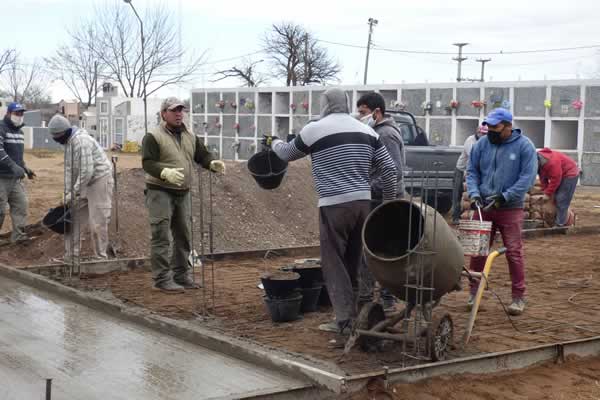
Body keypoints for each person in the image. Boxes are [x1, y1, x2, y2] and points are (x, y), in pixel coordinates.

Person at [263, 88, 397, 335]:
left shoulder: (315, 129)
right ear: (346, 104)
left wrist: (274, 142)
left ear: (324, 104)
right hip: (363, 205)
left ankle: (344, 321)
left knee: (333, 263)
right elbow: (389, 170)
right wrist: (388, 203)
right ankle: (356, 314)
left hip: (334, 205)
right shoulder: (366, 130)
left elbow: (287, 154)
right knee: (354, 260)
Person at [142, 97, 226, 293]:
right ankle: (162, 278)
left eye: (181, 110)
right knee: (161, 234)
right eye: (174, 111)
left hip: (183, 191)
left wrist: (211, 163)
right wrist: (164, 172)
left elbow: (202, 155)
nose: (179, 114)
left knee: (184, 235)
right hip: (160, 191)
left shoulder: (190, 135)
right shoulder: (153, 137)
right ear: (164, 114)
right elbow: (148, 162)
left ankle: (181, 274)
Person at [466, 108, 537, 316]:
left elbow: (527, 178)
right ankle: (474, 292)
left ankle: (518, 297)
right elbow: (472, 171)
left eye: (495, 127)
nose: (490, 131)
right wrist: (474, 193)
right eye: (488, 127)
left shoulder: (525, 146)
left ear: (508, 126)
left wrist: (505, 196)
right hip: (483, 206)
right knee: (477, 252)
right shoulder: (481, 144)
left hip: (510, 207)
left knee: (513, 253)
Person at [356, 91, 405, 310]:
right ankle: (379, 297)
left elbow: (393, 172)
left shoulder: (385, 134)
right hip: (377, 199)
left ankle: (386, 299)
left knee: (383, 250)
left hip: (385, 201)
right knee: (376, 249)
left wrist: (368, 189)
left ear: (377, 112)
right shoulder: (375, 132)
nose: (360, 116)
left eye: (363, 112)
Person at [48, 114, 113, 261]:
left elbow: (87, 171)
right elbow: (70, 170)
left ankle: (101, 258)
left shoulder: (81, 142)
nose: (56, 139)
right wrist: (67, 193)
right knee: (73, 219)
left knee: (98, 220)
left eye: (57, 136)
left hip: (99, 179)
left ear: (64, 132)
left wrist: (74, 192)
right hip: (85, 181)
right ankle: (71, 256)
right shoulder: (68, 143)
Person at [0, 102, 35, 244]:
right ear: (8, 114)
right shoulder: (1, 128)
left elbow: (17, 156)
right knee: (0, 209)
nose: (19, 116)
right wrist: (14, 166)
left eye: (21, 113)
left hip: (15, 179)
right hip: (1, 177)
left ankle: (18, 237)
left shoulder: (20, 133)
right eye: (16, 113)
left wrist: (25, 168)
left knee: (21, 205)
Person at [451, 125, 488, 224]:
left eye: (486, 134)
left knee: (468, 195)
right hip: (462, 169)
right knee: (457, 193)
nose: (484, 136)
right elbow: (473, 156)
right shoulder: (470, 140)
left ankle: (468, 217)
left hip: (474, 171)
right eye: (483, 133)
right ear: (478, 132)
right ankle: (455, 217)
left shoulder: (486, 142)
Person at [537, 148, 579, 226]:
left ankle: (560, 224)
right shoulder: (539, 162)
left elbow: (556, 179)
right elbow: (543, 178)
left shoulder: (551, 162)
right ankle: (566, 217)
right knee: (555, 199)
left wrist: (547, 194)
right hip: (560, 175)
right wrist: (545, 191)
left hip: (570, 173)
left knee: (561, 199)